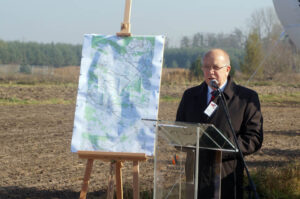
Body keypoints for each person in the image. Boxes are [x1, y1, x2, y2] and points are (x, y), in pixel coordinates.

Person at [176, 48, 263, 198]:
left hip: (226, 177)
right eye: (206, 67)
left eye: (215, 67)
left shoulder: (246, 99)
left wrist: (221, 148)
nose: (210, 72)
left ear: (227, 69)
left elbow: (253, 139)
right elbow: (178, 131)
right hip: (194, 177)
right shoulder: (190, 96)